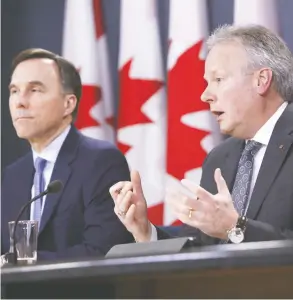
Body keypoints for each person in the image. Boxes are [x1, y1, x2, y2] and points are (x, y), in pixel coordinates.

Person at [109, 24, 293, 245]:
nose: (205, 95)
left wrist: (235, 229)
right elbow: (200, 245)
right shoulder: (220, 157)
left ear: (261, 80)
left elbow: (235, 231)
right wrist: (147, 232)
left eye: (218, 80)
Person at [1, 48, 133, 261]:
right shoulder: (13, 175)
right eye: (14, 91)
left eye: (35, 90)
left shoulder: (101, 161)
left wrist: (24, 264)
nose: (19, 102)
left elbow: (103, 253)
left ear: (68, 104)